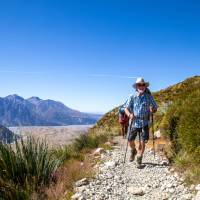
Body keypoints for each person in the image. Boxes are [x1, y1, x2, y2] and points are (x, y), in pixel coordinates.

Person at [125, 77, 157, 167]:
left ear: (145, 86)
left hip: (144, 122)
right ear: (136, 86)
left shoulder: (148, 97)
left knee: (143, 141)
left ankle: (139, 158)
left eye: (143, 85)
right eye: (139, 85)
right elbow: (126, 109)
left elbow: (155, 107)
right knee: (130, 140)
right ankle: (133, 150)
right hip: (134, 122)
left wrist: (152, 109)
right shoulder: (132, 96)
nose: (141, 86)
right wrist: (130, 115)